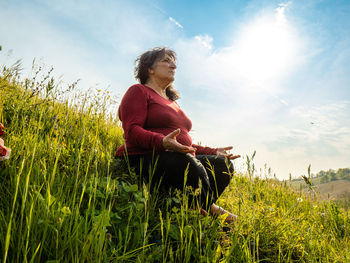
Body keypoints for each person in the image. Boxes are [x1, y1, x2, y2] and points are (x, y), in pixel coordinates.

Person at [115, 47, 240, 222]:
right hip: (143, 156)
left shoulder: (172, 103)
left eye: (173, 62)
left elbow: (178, 142)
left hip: (174, 156)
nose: (173, 65)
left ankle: (192, 209)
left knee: (222, 165)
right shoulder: (138, 91)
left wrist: (212, 151)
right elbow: (131, 130)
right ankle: (211, 211)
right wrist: (162, 142)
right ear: (149, 68)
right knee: (188, 162)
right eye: (166, 60)